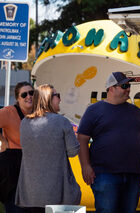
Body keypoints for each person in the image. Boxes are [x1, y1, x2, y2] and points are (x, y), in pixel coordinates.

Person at [77, 72, 140, 213]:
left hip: (134, 174)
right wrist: (85, 166)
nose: (128, 89)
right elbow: (82, 139)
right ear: (111, 88)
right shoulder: (94, 110)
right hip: (105, 175)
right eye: (124, 86)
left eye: (129, 85)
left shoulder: (136, 111)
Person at [15, 84, 81, 213]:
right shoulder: (62, 121)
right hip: (58, 195)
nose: (60, 99)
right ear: (48, 98)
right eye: (57, 96)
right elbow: (73, 151)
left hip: (30, 194)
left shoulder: (24, 123)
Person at [0, 81, 34, 213]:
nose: (29, 96)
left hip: (33, 169)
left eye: (31, 93)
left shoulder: (39, 113)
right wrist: (3, 140)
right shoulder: (9, 112)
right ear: (18, 98)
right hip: (14, 168)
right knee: (16, 207)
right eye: (24, 94)